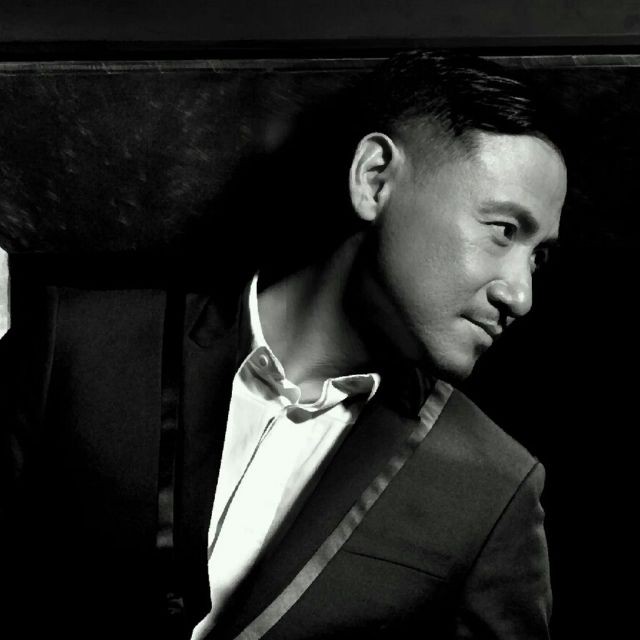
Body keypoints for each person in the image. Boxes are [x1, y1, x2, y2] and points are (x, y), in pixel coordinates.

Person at [0, 51, 566, 639]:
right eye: (504, 230)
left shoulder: (492, 487)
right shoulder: (80, 344)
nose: (521, 295)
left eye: (538, 257)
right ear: (375, 179)